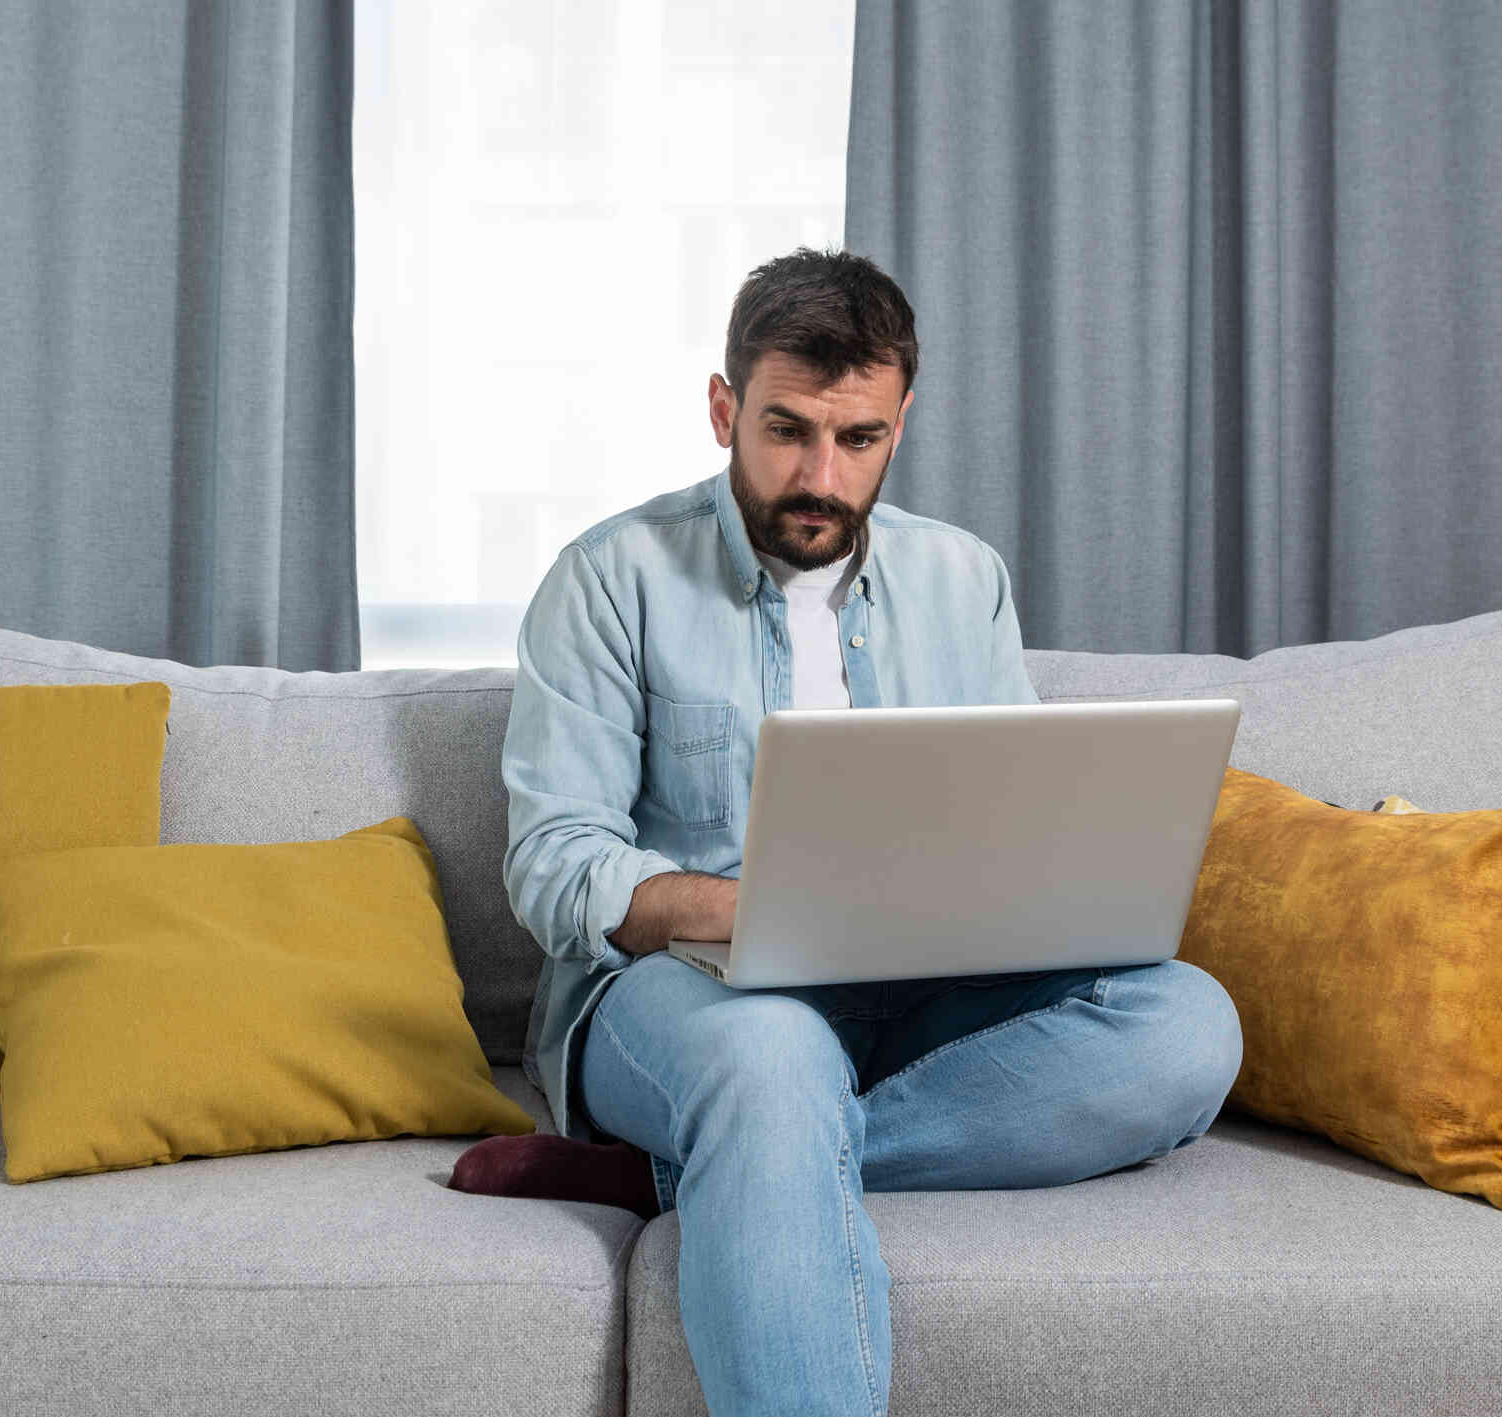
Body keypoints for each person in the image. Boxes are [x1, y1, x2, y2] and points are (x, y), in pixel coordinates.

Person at [451, 247, 1243, 1417]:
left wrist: (1031, 893)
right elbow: (557, 861)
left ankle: (702, 1168)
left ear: (902, 422)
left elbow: (1015, 815)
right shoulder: (609, 579)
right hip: (682, 994)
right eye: (786, 431)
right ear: (724, 407)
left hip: (917, 991)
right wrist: (744, 909)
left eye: (858, 439)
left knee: (1187, 1024)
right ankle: (752, 1130)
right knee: (772, 1058)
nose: (819, 474)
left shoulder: (960, 576)